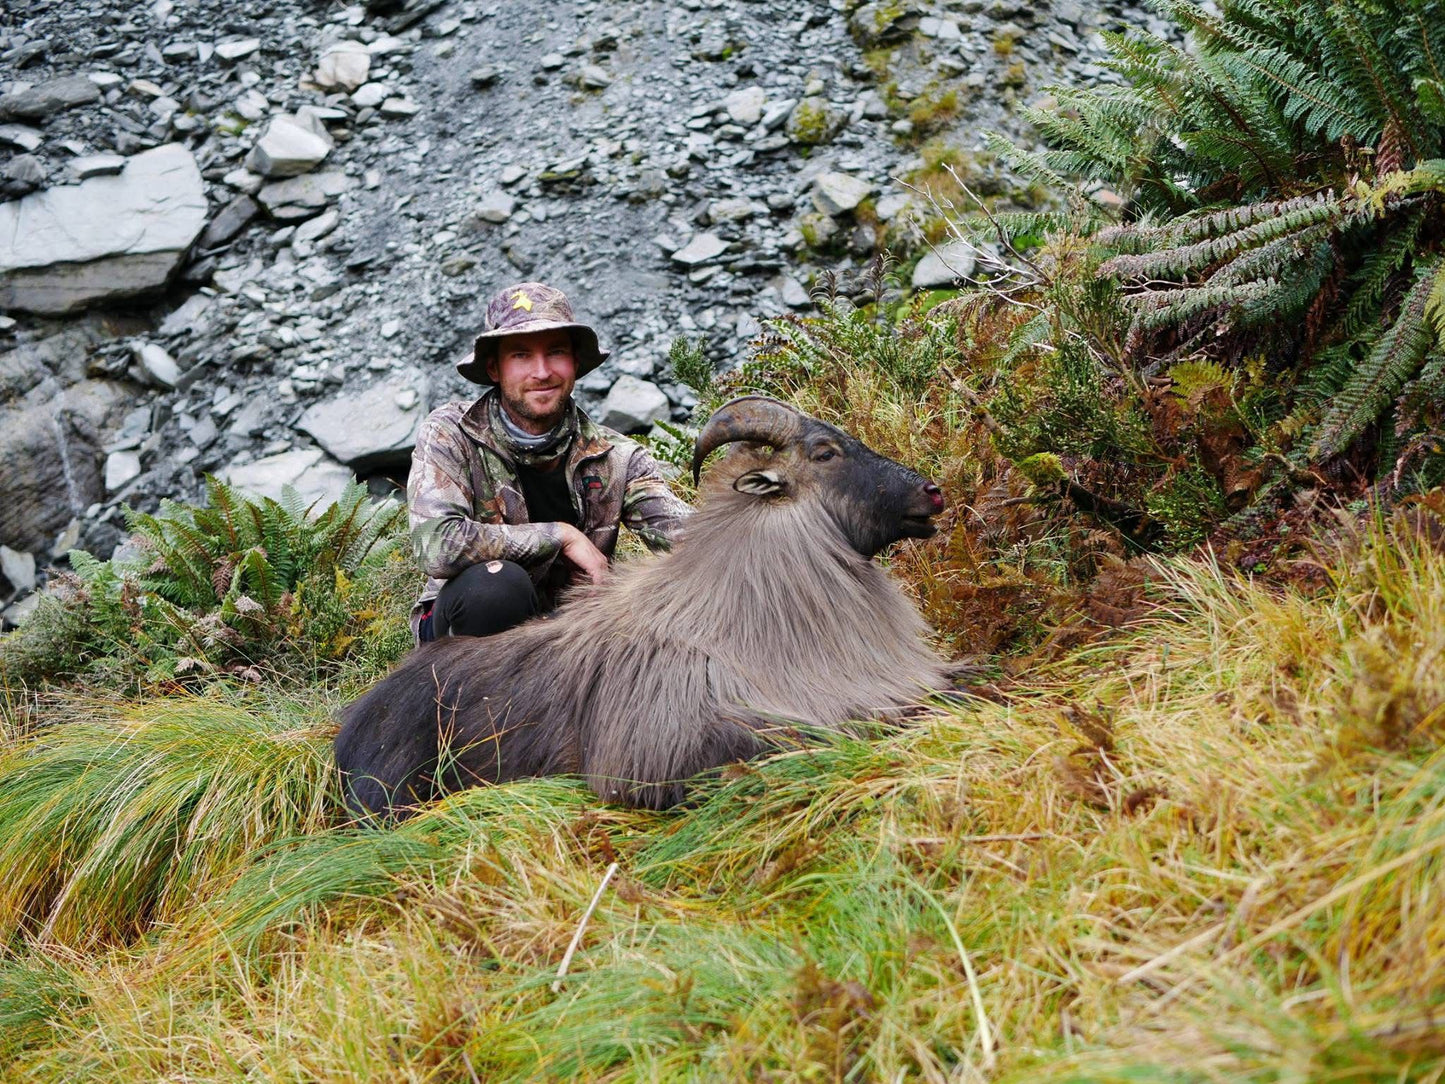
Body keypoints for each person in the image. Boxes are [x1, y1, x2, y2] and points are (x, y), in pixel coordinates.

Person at [407, 281, 691, 642]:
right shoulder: (451, 433)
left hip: (569, 637)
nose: (541, 372)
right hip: (462, 635)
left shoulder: (618, 457)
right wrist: (560, 536)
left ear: (575, 362)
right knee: (497, 587)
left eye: (556, 352)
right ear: (494, 368)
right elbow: (436, 545)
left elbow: (690, 540)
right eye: (521, 355)